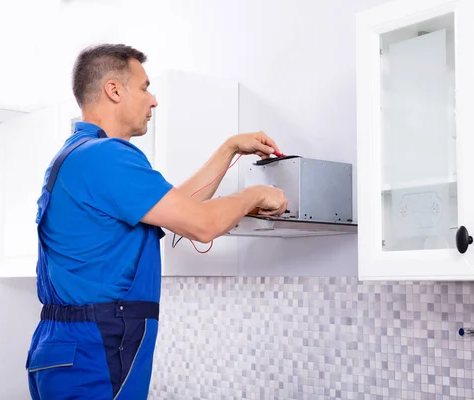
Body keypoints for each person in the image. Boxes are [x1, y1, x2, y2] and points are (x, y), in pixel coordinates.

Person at [25, 43, 288, 399]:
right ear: (114, 90)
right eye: (145, 87)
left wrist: (228, 150)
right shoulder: (107, 157)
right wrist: (255, 195)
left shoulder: (81, 155)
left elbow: (181, 207)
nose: (153, 100)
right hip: (95, 351)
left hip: (69, 347)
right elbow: (201, 224)